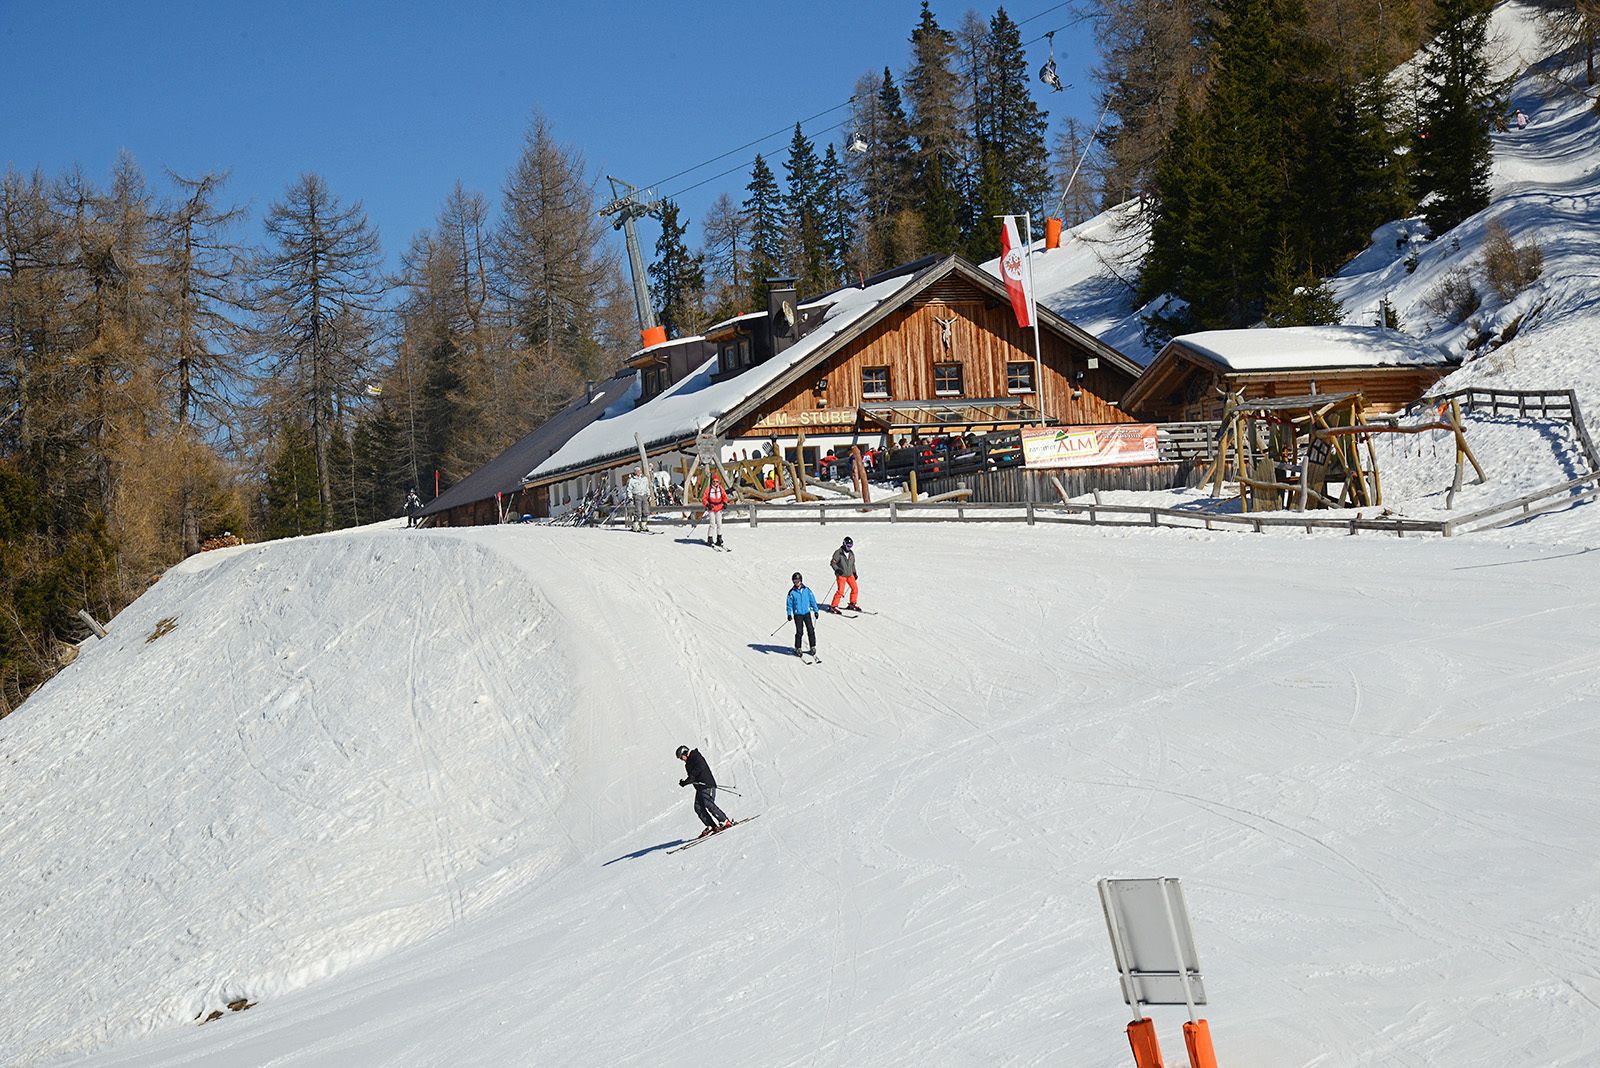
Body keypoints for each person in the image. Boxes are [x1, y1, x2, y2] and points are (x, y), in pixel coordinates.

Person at [676, 744, 732, 837]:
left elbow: (699, 768)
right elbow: (692, 777)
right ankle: (712, 826)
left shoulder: (696, 756)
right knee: (698, 807)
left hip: (707, 784)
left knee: (708, 803)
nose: (682, 760)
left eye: (681, 757)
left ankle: (725, 821)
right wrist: (685, 782)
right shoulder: (687, 765)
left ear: (685, 753)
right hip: (700, 788)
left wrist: (691, 778)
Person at [786, 571, 819, 657]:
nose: (796, 583)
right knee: (799, 631)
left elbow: (812, 600)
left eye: (797, 581)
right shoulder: (792, 592)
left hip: (807, 613)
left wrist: (816, 610)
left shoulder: (807, 590)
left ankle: (812, 646)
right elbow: (789, 604)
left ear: (801, 580)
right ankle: (798, 647)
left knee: (811, 630)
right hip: (798, 614)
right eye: (794, 581)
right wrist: (789, 614)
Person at [829, 535, 859, 612]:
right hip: (841, 575)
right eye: (848, 546)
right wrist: (837, 569)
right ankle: (833, 606)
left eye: (851, 546)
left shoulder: (851, 553)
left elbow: (852, 564)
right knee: (840, 591)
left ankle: (852, 603)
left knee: (855, 588)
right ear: (844, 544)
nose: (849, 548)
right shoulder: (838, 553)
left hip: (849, 575)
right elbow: (833, 563)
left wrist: (854, 572)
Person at [702, 473, 728, 547]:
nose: (715, 483)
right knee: (712, 524)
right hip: (712, 508)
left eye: (717, 481)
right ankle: (710, 538)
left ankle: (719, 538)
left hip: (719, 508)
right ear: (712, 482)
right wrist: (707, 504)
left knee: (719, 524)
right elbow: (704, 498)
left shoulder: (720, 488)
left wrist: (725, 503)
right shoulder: (708, 489)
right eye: (714, 481)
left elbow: (724, 496)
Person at [626, 468, 651, 532]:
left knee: (645, 511)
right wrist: (630, 497)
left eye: (639, 471)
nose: (638, 472)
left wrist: (649, 494)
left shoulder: (644, 478)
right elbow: (629, 489)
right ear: (635, 472)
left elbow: (647, 487)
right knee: (638, 511)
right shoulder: (632, 480)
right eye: (637, 471)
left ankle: (643, 525)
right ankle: (635, 525)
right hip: (637, 496)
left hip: (644, 495)